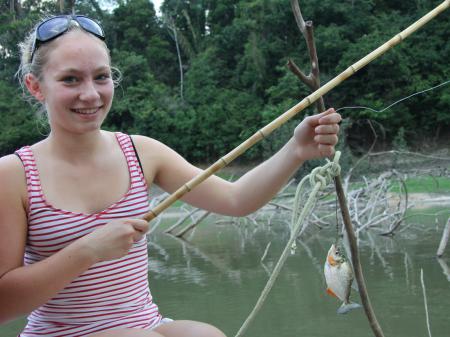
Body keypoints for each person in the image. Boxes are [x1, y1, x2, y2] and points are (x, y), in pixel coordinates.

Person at [0, 14, 341, 337]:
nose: (90, 94)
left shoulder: (142, 153)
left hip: (146, 324)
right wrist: (88, 250)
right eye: (70, 79)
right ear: (35, 86)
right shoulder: (13, 175)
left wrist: (296, 150)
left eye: (101, 77)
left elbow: (236, 200)